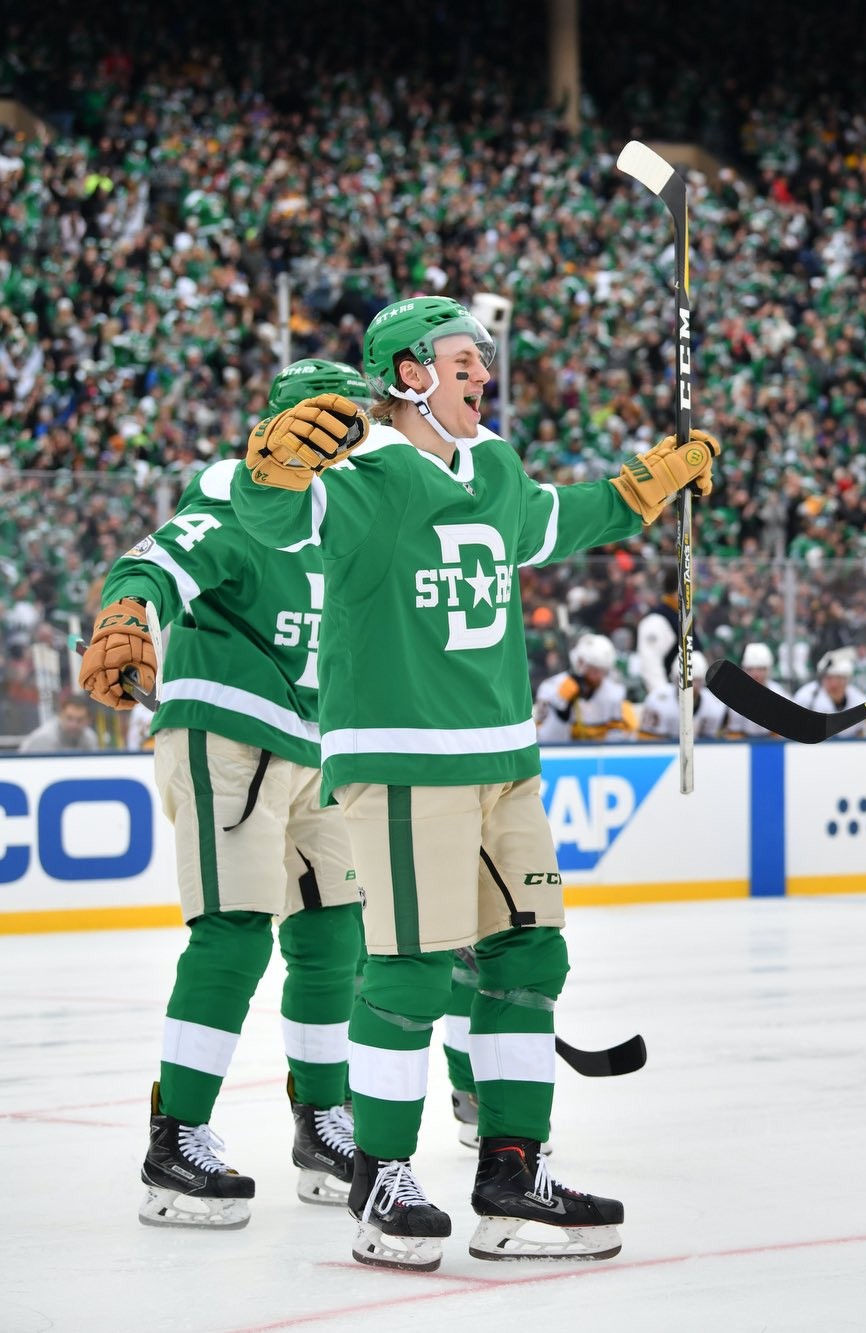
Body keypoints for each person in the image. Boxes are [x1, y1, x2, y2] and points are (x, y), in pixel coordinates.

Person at [228, 295, 717, 1271]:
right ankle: (381, 1179)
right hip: (404, 762)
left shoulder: (492, 465)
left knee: (530, 959)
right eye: (463, 361)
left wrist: (643, 489)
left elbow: (554, 519)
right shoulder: (358, 474)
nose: (483, 376)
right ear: (410, 373)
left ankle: (512, 1175)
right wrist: (268, 467)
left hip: (506, 764)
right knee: (409, 968)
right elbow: (276, 517)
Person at [79, 358, 374, 1231]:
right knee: (235, 931)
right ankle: (176, 1140)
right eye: (327, 418)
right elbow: (156, 560)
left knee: (334, 933)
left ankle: (323, 1125)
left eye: (352, 419)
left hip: (318, 745)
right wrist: (126, 615)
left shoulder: (358, 514)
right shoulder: (236, 492)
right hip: (227, 730)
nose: (343, 434)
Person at [534, 634, 637, 743]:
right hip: (563, 752)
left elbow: (618, 740)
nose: (599, 676)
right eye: (594, 669)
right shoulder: (550, 688)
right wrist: (560, 710)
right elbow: (543, 740)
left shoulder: (615, 693)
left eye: (603, 670)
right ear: (580, 664)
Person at [638, 650, 727, 739]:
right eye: (683, 680)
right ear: (675, 679)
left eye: (695, 680)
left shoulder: (714, 703)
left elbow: (713, 743)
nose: (689, 686)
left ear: (702, 681)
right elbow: (647, 740)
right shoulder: (658, 699)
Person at [718, 642, 777, 738]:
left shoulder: (780, 694)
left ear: (768, 670)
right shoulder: (734, 696)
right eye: (750, 669)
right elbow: (733, 734)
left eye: (760, 669)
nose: (755, 674)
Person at [17, 693, 99, 752]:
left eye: (79, 720)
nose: (73, 724)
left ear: (88, 720)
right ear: (60, 715)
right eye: (69, 718)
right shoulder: (45, 738)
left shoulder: (90, 738)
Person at [793, 648, 860, 716]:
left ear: (847, 680)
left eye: (839, 678)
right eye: (829, 678)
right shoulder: (805, 697)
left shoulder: (858, 700)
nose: (834, 684)